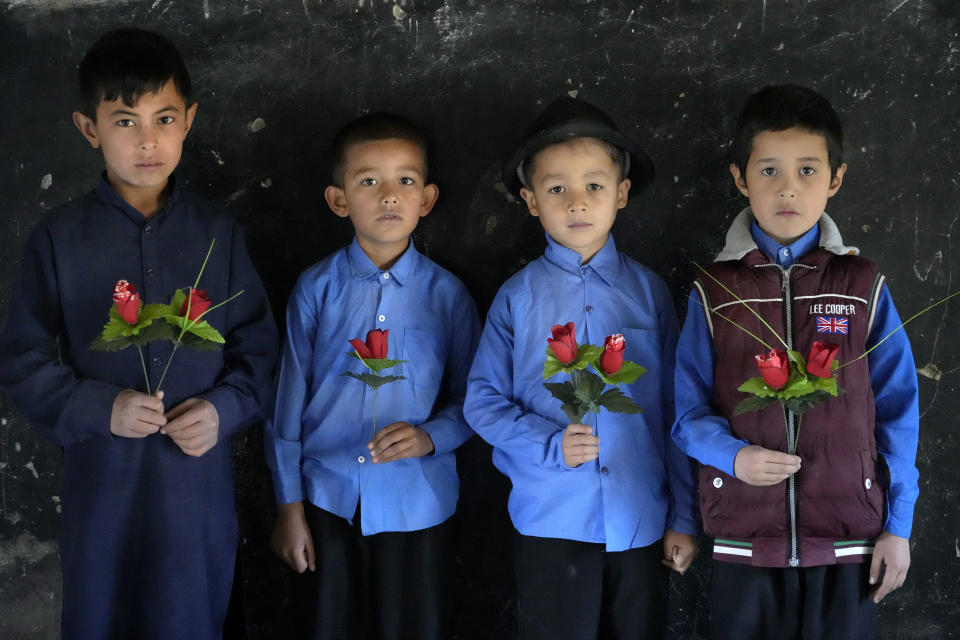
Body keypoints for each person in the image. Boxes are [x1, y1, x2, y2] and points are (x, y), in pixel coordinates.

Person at [0, 27, 278, 640]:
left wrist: (223, 409)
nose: (148, 141)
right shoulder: (59, 238)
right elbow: (21, 358)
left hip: (194, 492)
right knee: (102, 614)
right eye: (125, 121)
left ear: (190, 120)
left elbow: (259, 349)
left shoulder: (217, 233)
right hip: (104, 490)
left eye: (165, 118)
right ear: (88, 128)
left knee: (192, 617)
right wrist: (101, 406)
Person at [672, 84, 919, 640]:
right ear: (740, 178)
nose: (788, 188)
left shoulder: (862, 285)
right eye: (768, 171)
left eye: (808, 170)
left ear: (835, 179)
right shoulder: (714, 290)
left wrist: (898, 524)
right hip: (745, 536)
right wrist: (732, 458)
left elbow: (898, 409)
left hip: (848, 535)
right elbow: (685, 412)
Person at [464, 96, 698, 640]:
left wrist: (684, 517)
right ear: (530, 201)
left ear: (621, 192)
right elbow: (482, 400)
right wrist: (549, 443)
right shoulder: (517, 299)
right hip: (550, 519)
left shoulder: (650, 294)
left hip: (638, 516)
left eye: (594, 185)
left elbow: (675, 408)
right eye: (555, 188)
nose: (576, 203)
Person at [264, 112, 481, 640]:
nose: (388, 195)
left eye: (404, 180)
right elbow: (286, 408)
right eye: (368, 181)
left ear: (426, 199)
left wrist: (431, 436)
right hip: (326, 498)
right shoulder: (315, 290)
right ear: (339, 200)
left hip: (418, 502)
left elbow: (476, 399)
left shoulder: (448, 296)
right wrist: (289, 508)